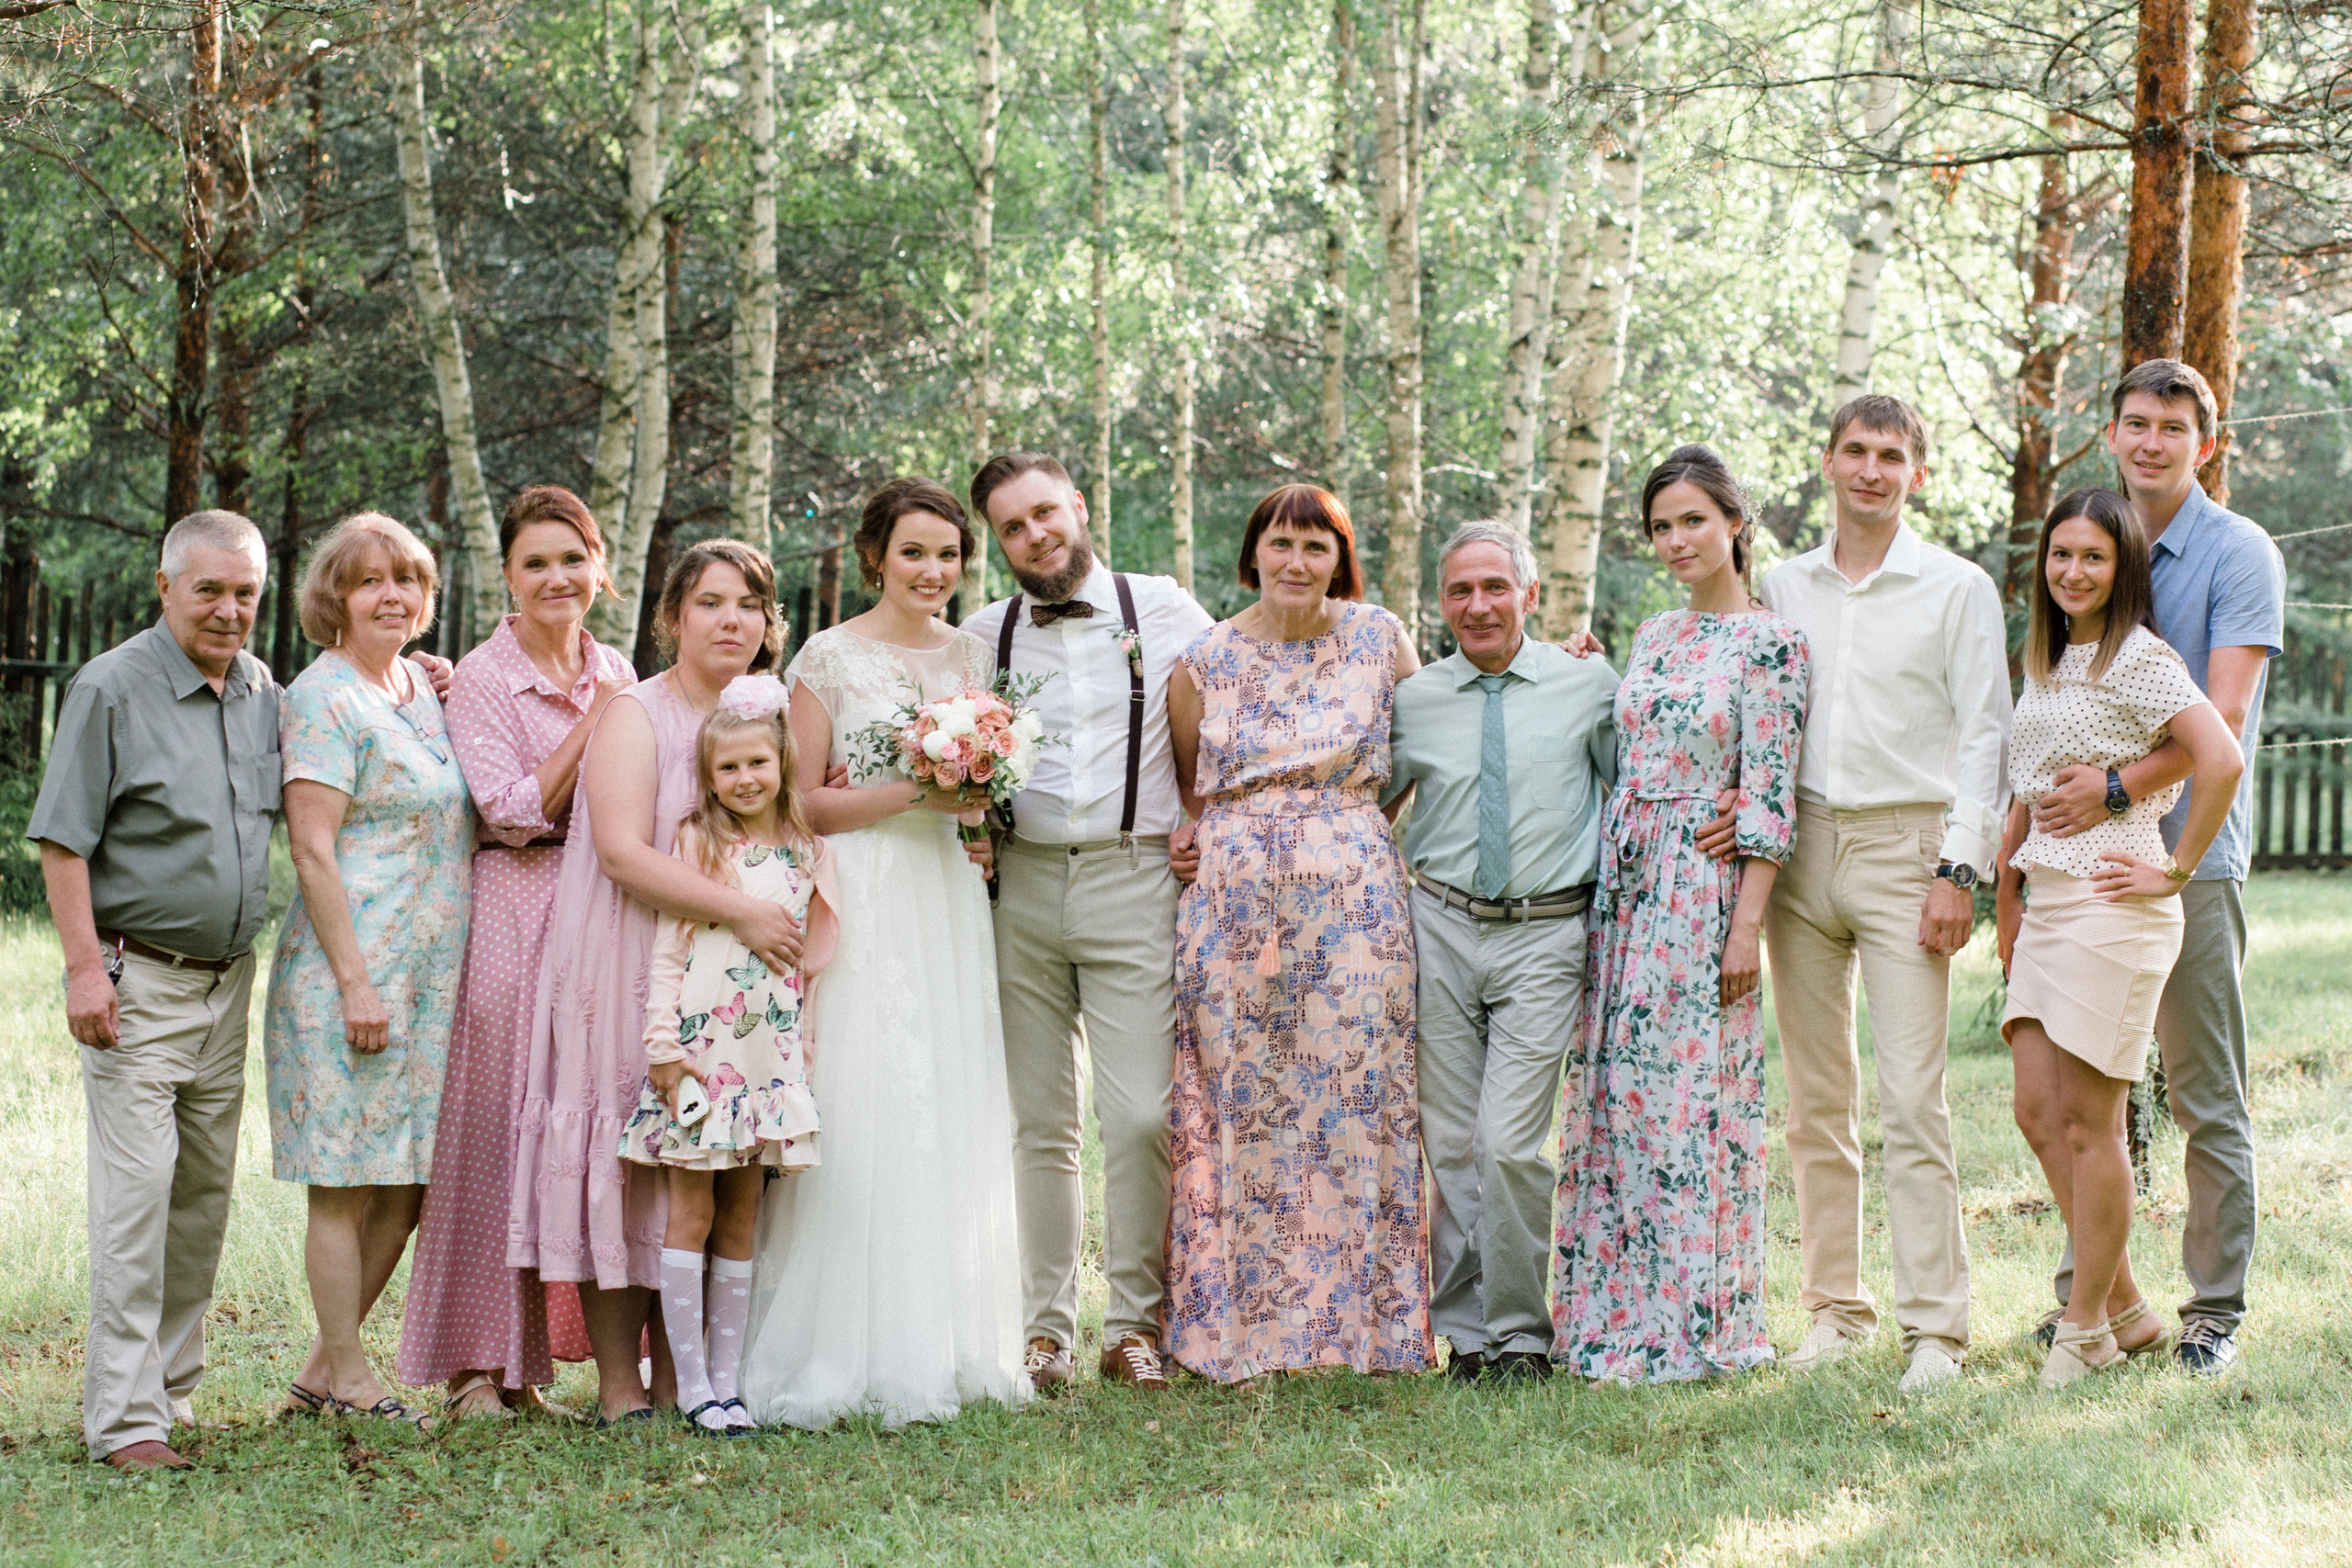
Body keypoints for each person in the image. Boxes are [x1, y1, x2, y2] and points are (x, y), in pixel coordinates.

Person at [741, 477, 1029, 1428]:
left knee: (946, 1092)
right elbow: (801, 801)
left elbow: (984, 790)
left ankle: (943, 1337)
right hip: (863, 888)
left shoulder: (975, 652)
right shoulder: (828, 655)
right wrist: (917, 789)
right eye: (913, 552)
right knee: (868, 1095)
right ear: (876, 557)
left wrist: (974, 792)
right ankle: (841, 1344)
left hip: (945, 892)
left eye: (947, 554)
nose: (931, 571)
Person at [2024, 359, 2286, 1375]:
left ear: (2203, 444)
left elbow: (2219, 723)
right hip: (2078, 876)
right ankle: (2097, 1301)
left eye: (2169, 429)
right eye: (2132, 423)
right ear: (2111, 433)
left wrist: (2121, 792)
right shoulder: (2091, 548)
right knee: (2080, 1096)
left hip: (2188, 858)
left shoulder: (2234, 554)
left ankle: (2211, 1310)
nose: (2147, 442)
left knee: (2200, 1092)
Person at [508, 539, 804, 1426]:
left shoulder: (771, 720)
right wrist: (740, 911)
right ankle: (616, 1383)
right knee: (629, 1159)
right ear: (673, 618)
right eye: (710, 603)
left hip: (735, 988)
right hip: (632, 954)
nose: (731, 620)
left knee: (707, 1170)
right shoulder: (637, 713)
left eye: (749, 605)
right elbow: (625, 851)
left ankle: (689, 1377)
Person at [1758, 394, 2012, 1393]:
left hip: (1911, 848)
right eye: (1856, 451)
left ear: (1917, 473)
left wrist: (1961, 869)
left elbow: (1986, 732)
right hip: (1800, 850)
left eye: (1891, 455)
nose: (1871, 469)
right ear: (1826, 462)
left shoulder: (1953, 587)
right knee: (1818, 1100)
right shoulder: (1781, 584)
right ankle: (1833, 1309)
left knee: (1912, 1098)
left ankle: (1936, 1332)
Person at [1552, 448, 1810, 1384]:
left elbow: (1772, 798)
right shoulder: (1653, 635)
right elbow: (1627, 744)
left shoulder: (1773, 644)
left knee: (1692, 1107)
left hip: (1702, 897)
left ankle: (1701, 1321)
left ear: (1735, 524)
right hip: (1621, 891)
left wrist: (1746, 930)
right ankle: (1610, 1321)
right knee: (1618, 1103)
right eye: (1662, 526)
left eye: (1693, 520)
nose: (1676, 541)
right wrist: (1581, 666)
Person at [1164, 482, 1431, 1382]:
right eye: (1280, 543)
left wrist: (1344, 831)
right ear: (1253, 552)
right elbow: (1193, 788)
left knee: (1352, 1103)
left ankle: (1363, 1332)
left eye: (1316, 547)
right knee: (1239, 1103)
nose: (1296, 562)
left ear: (1339, 559)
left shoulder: (1378, 637)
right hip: (1234, 907)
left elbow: (1429, 747)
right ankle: (1238, 1331)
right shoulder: (1202, 658)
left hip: (1355, 900)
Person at [959, 453, 1214, 1394]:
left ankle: (1137, 1325)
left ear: (1078, 505)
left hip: (1134, 878)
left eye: (1043, 515)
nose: (1034, 537)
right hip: (1016, 885)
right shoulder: (982, 635)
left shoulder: (1167, 610)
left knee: (1141, 1113)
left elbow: (1257, 679)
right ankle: (1045, 1332)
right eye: (1012, 529)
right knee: (1039, 1123)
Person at [29, 511, 276, 1471]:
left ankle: (166, 1396)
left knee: (202, 1201)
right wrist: (86, 968)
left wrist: (427, 679)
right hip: (141, 982)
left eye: (245, 591)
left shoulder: (262, 690)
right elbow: (63, 840)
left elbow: (352, 728)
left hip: (229, 990)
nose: (228, 608)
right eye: (209, 588)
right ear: (165, 586)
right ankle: (125, 1422)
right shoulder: (111, 688)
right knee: (137, 1200)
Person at [1995, 485, 2243, 1386]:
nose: (2072, 571)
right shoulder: (2049, 658)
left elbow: (2219, 757)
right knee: (2034, 1111)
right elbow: (2023, 794)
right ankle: (2129, 1309)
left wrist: (2172, 869)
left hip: (2114, 904)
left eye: (2092, 557)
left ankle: (2084, 1330)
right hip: (2049, 904)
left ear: (2122, 569)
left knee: (2090, 1125)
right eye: (2060, 555)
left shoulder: (2138, 659)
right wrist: (2007, 897)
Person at [398, 486, 631, 1420]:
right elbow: (509, 808)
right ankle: (472, 1371)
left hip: (599, 911)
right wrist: (598, 723)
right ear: (507, 576)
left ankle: (531, 1369)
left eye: (571, 560)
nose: (555, 578)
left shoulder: (610, 664)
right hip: (512, 907)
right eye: (535, 563)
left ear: (599, 568)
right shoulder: (486, 679)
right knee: (499, 1128)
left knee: (574, 1131)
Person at [1380, 521, 1616, 1386]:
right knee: (1451, 1142)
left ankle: (1521, 1335)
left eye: (1494, 587)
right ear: (1441, 603)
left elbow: (1638, 786)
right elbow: (1365, 800)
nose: (1477, 605)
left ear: (1530, 595)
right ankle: (1467, 1338)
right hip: (1437, 922)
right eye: (1458, 591)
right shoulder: (1416, 699)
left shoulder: (1588, 683)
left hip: (1547, 931)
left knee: (1509, 1142)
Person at [264, 512, 474, 1428]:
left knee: (411, 1183)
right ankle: (351, 1376)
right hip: (350, 977)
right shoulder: (322, 698)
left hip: (426, 986)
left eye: (408, 580)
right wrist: (355, 982)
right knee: (346, 1184)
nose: (392, 595)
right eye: (369, 581)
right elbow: (312, 852)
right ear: (334, 598)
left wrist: (444, 678)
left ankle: (321, 1371)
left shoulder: (419, 688)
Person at [620, 676, 839, 1432]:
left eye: (757, 764)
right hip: (703, 1058)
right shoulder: (699, 841)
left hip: (766, 1063)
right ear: (709, 776)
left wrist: (800, 1060)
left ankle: (727, 1380)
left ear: (782, 761)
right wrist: (663, 1047)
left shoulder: (809, 852)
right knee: (691, 1211)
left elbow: (810, 968)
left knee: (741, 1218)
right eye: (728, 769)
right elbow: (669, 950)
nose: (745, 780)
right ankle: (688, 1385)